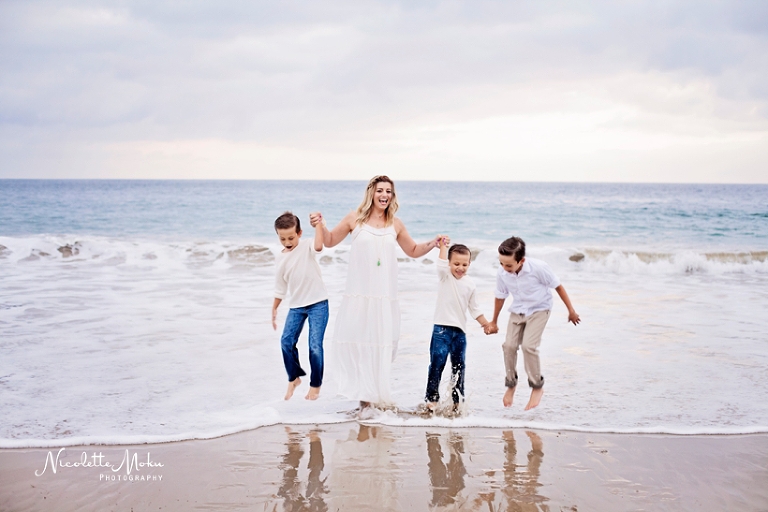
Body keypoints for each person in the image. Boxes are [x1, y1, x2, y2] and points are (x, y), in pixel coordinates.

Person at [309, 175, 441, 409]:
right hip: (359, 294)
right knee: (360, 343)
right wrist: (320, 224)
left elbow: (412, 250)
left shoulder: (396, 224)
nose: (384, 195)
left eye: (388, 191)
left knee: (380, 345)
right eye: (380, 190)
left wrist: (433, 243)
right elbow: (329, 241)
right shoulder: (354, 219)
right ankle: (365, 401)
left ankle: (372, 399)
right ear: (371, 192)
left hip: (384, 296)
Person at [485, 236, 580, 410]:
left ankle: (537, 387)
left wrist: (571, 311)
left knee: (529, 346)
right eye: (501, 263)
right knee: (508, 346)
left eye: (508, 265)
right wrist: (494, 321)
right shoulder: (502, 272)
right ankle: (511, 384)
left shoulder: (539, 268)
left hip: (540, 309)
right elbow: (500, 296)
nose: (504, 268)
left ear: (521, 260)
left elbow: (558, 286)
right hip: (518, 310)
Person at [424, 240, 490, 411]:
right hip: (441, 329)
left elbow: (474, 308)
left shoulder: (470, 284)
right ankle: (432, 399)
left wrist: (485, 324)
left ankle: (457, 400)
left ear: (469, 264)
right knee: (437, 363)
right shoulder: (445, 276)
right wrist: (443, 246)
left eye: (464, 264)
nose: (460, 268)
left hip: (460, 332)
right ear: (449, 263)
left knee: (459, 366)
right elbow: (440, 264)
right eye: (456, 264)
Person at [272, 211, 328, 401]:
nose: (287, 242)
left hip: (318, 303)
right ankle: (294, 378)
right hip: (297, 306)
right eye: (282, 239)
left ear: (299, 233)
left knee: (314, 346)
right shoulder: (280, 258)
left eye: (291, 237)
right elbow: (280, 286)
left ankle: (315, 385)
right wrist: (274, 308)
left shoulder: (306, 246)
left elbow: (319, 246)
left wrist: (318, 224)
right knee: (286, 342)